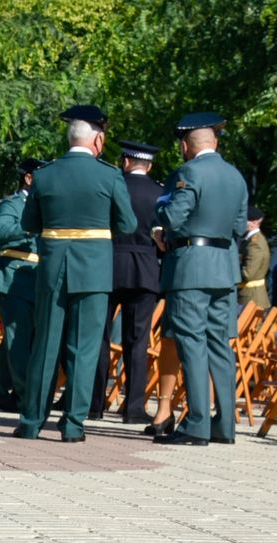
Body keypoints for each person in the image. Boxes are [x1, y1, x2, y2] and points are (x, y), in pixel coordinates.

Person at [12, 105, 137, 443]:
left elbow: (28, 224)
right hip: (94, 269)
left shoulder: (46, 174)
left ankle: (31, 421)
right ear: (97, 139)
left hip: (53, 268)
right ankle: (72, 425)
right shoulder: (109, 175)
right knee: (83, 347)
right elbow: (128, 224)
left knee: (46, 343)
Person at [151, 112, 249, 446]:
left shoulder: (190, 172)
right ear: (215, 143)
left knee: (191, 342)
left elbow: (174, 216)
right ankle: (224, 424)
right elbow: (239, 227)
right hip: (224, 266)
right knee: (220, 344)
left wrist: (160, 221)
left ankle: (196, 423)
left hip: (191, 264)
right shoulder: (236, 176)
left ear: (185, 146)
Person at [91, 140, 163, 424]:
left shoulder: (112, 187)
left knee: (99, 339)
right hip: (144, 270)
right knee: (138, 342)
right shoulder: (160, 193)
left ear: (124, 161)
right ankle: (133, 408)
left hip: (108, 266)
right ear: (149, 165)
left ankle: (94, 404)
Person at [0, 158, 45, 413]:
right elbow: (1, 230)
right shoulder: (13, 203)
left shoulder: (45, 205)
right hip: (13, 277)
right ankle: (26, 397)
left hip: (35, 277)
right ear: (28, 178)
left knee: (16, 338)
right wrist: (30, 227)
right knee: (19, 339)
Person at [239, 206, 270, 311]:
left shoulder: (255, 244)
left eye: (245, 219)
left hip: (251, 298)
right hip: (249, 295)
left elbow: (248, 274)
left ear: (255, 222)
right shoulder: (249, 240)